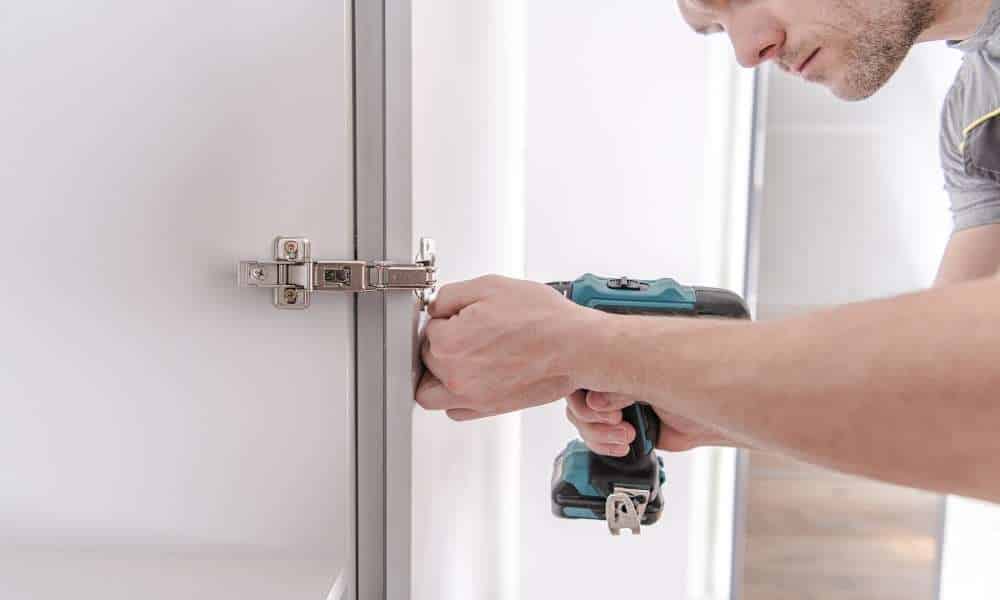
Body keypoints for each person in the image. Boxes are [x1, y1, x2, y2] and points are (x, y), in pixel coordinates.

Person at [417, 0, 1000, 503]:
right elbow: (940, 413)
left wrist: (585, 345)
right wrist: (711, 402)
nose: (748, 51)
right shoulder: (975, 119)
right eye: (718, 28)